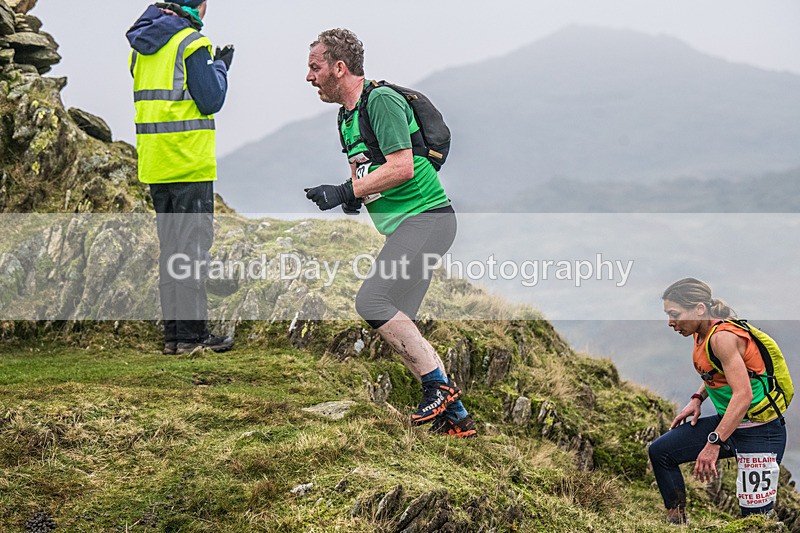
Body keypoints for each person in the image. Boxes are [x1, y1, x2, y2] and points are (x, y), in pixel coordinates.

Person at [304, 28, 476, 438]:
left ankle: (438, 388)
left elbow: (403, 166)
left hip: (429, 219)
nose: (309, 77)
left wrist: (345, 191)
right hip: (410, 224)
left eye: (315, 67)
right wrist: (351, 196)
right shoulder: (346, 114)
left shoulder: (378, 100)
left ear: (339, 67)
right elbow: (366, 169)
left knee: (372, 300)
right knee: (401, 321)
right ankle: (457, 419)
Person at [127, 1, 235, 355]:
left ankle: (174, 336)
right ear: (197, 6)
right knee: (191, 251)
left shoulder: (140, 48)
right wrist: (220, 67)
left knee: (171, 249)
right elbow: (211, 99)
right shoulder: (192, 43)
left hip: (157, 162)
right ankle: (191, 338)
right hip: (188, 161)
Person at [650, 278, 788, 523]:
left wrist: (714, 442)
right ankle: (676, 523)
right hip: (731, 425)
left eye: (675, 314)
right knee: (661, 452)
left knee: (754, 521)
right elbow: (717, 372)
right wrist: (697, 398)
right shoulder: (700, 332)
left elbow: (743, 395)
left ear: (699, 309)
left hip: (761, 433)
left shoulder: (721, 338)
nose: (670, 322)